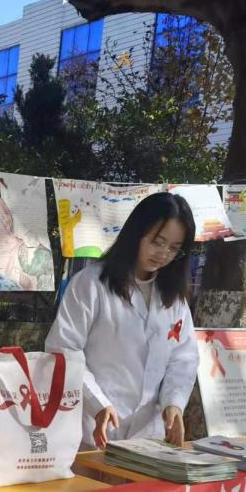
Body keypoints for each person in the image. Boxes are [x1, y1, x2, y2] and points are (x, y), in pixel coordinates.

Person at [45, 191, 200, 449]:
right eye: (157, 242)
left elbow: (183, 358)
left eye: (174, 248)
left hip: (147, 435)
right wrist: (97, 403)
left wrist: (174, 403)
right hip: (90, 429)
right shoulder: (90, 284)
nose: (163, 254)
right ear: (136, 234)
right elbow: (64, 350)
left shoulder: (174, 298)